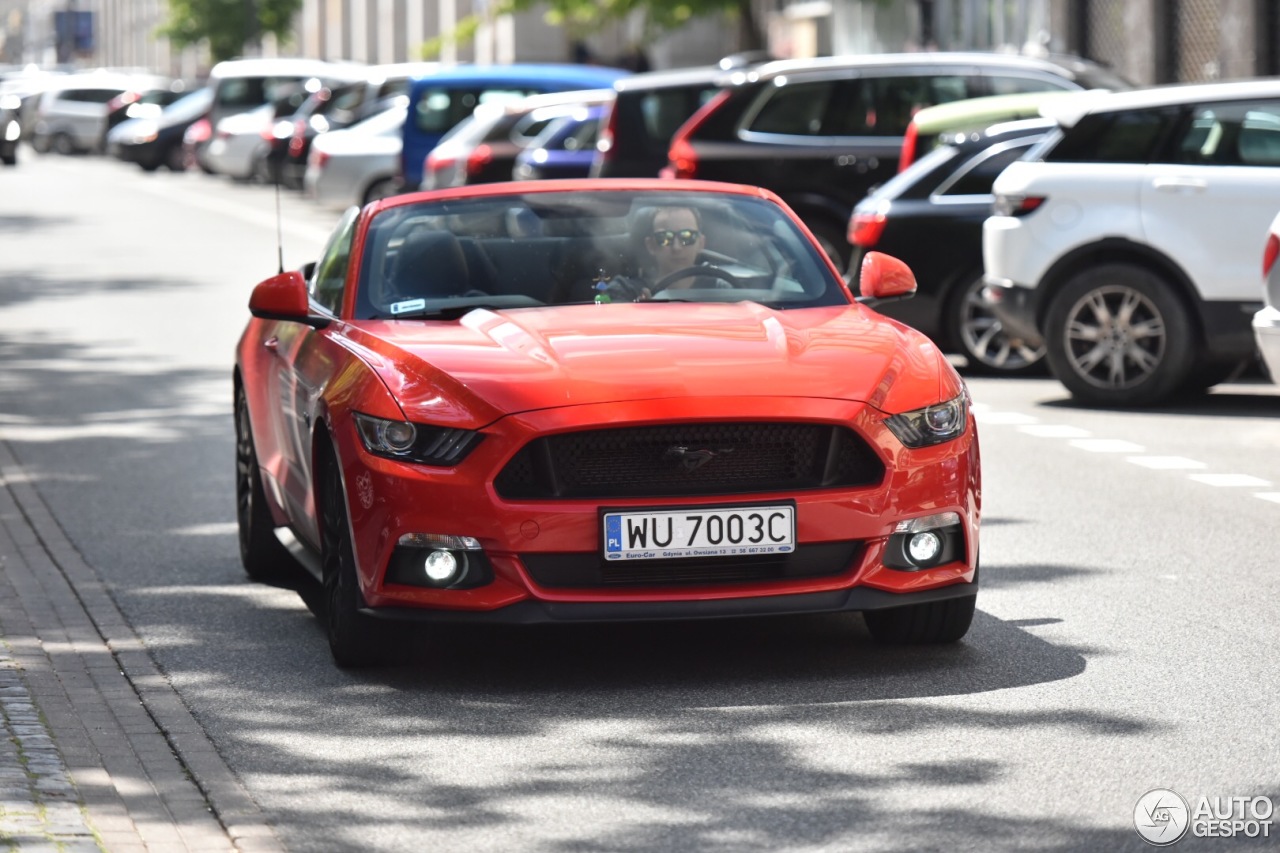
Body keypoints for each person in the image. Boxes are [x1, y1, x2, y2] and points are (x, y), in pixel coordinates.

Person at [595, 205, 710, 302]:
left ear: (701, 243)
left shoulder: (722, 288)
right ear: (651, 246)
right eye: (664, 238)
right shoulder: (624, 291)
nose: (677, 247)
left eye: (687, 236)